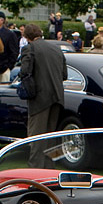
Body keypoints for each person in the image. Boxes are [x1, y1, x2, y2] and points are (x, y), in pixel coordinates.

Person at [18, 23, 67, 168]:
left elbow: (24, 71)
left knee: (36, 137)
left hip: (39, 98)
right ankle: (51, 168)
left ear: (26, 37)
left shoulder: (29, 48)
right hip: (58, 96)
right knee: (51, 136)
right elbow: (64, 74)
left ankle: (35, 170)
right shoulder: (56, 49)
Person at [0, 11, 19, 81]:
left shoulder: (9, 34)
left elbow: (14, 52)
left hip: (3, 70)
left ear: (2, 20)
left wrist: (8, 67)